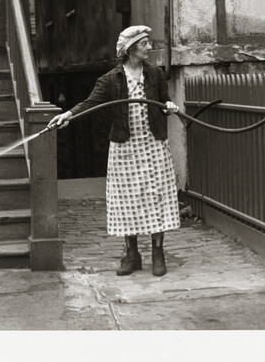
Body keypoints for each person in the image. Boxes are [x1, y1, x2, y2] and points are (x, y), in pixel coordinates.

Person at [49, 25, 180, 277]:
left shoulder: (155, 75)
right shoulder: (111, 79)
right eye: (144, 44)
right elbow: (91, 103)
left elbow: (164, 101)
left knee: (157, 197)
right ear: (130, 49)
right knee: (126, 201)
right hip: (124, 147)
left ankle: (158, 254)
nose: (149, 48)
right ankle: (132, 256)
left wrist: (169, 107)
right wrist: (68, 115)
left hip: (153, 145)